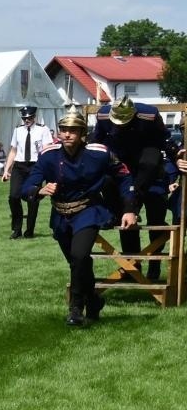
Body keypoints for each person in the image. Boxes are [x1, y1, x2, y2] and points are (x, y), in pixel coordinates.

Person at [23, 105, 137, 327]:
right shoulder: (48, 155)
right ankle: (94, 300)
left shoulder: (100, 153)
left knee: (79, 256)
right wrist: (38, 190)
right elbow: (29, 183)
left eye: (73, 130)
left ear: (82, 133)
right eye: (64, 129)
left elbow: (124, 176)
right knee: (78, 262)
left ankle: (76, 308)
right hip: (60, 215)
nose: (67, 134)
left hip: (89, 211)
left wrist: (130, 209)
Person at [93, 95, 170, 282]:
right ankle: (132, 265)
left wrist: (178, 154)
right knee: (124, 217)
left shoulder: (149, 116)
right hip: (122, 168)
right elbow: (97, 142)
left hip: (149, 172)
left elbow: (164, 141)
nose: (119, 125)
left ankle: (154, 262)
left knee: (156, 218)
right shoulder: (103, 116)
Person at [1, 105, 54, 240]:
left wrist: (47, 169)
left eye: (29, 118)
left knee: (32, 198)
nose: (27, 120)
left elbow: (47, 150)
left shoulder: (43, 130)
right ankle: (16, 229)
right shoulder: (18, 130)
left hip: (35, 166)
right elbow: (13, 150)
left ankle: (30, 230)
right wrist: (6, 170)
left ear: (34, 117)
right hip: (19, 166)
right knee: (13, 196)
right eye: (24, 118)